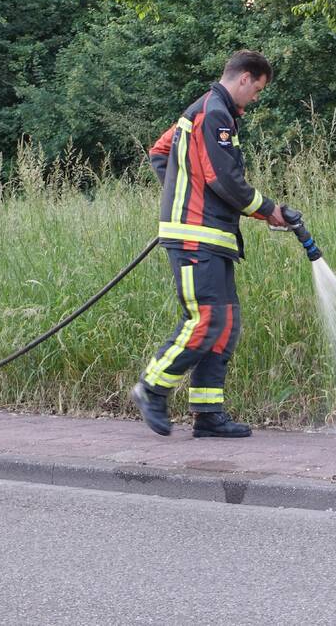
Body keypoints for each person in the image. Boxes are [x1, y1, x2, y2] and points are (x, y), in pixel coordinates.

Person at [131, 50, 286, 438]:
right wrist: (268, 210)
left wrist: (182, 188)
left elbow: (161, 151)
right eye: (258, 90)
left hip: (210, 236)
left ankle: (208, 414)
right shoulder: (212, 112)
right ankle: (152, 386)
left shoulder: (204, 110)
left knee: (226, 323)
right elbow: (226, 178)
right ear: (245, 78)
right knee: (207, 318)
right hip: (194, 236)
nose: (255, 99)